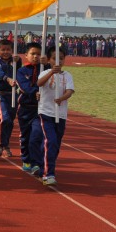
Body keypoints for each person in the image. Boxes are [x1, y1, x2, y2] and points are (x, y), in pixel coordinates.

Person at [29, 47, 75, 186]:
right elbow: (38, 84)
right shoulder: (45, 72)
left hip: (60, 115)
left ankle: (44, 166)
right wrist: (51, 74)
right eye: (54, 58)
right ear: (49, 60)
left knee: (54, 144)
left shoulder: (67, 75)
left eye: (61, 58)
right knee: (51, 141)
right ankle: (48, 174)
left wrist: (62, 98)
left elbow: (70, 91)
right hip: (46, 113)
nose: (58, 61)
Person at [15, 42, 43, 172]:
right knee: (25, 136)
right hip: (25, 108)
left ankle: (36, 162)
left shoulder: (45, 68)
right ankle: (26, 159)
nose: (36, 56)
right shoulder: (21, 71)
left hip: (40, 108)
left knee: (37, 135)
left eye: (38, 54)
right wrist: (35, 92)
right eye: (33, 54)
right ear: (26, 55)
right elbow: (24, 87)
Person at [0, 39, 22, 157]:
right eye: (3, 50)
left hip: (14, 94)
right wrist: (8, 79)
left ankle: (6, 144)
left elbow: (19, 70)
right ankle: (0, 144)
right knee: (4, 119)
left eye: (8, 49)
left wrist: (18, 61)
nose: (5, 52)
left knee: (10, 121)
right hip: (2, 95)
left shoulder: (14, 61)